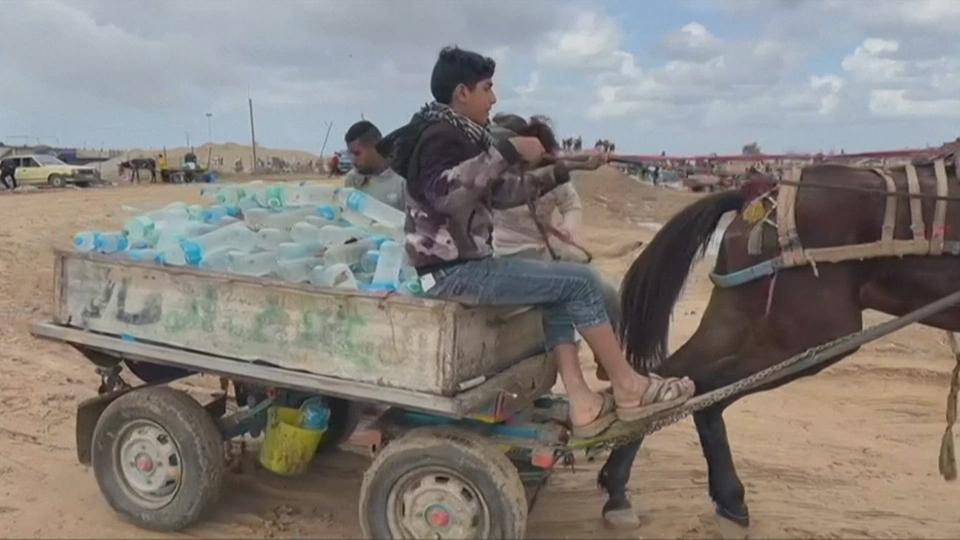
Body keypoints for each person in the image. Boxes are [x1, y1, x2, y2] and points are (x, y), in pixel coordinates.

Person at [383, 46, 694, 438]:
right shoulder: (439, 136)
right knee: (579, 281)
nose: (493, 99)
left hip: (465, 267)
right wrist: (507, 150)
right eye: (487, 88)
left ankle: (582, 402)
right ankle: (629, 385)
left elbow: (503, 193)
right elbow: (447, 194)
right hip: (456, 272)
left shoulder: (458, 135)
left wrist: (560, 171)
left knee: (563, 288)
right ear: (462, 92)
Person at [343, 120, 406, 211]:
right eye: (350, 153)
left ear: (376, 147)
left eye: (357, 153)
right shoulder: (352, 179)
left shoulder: (402, 181)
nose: (352, 160)